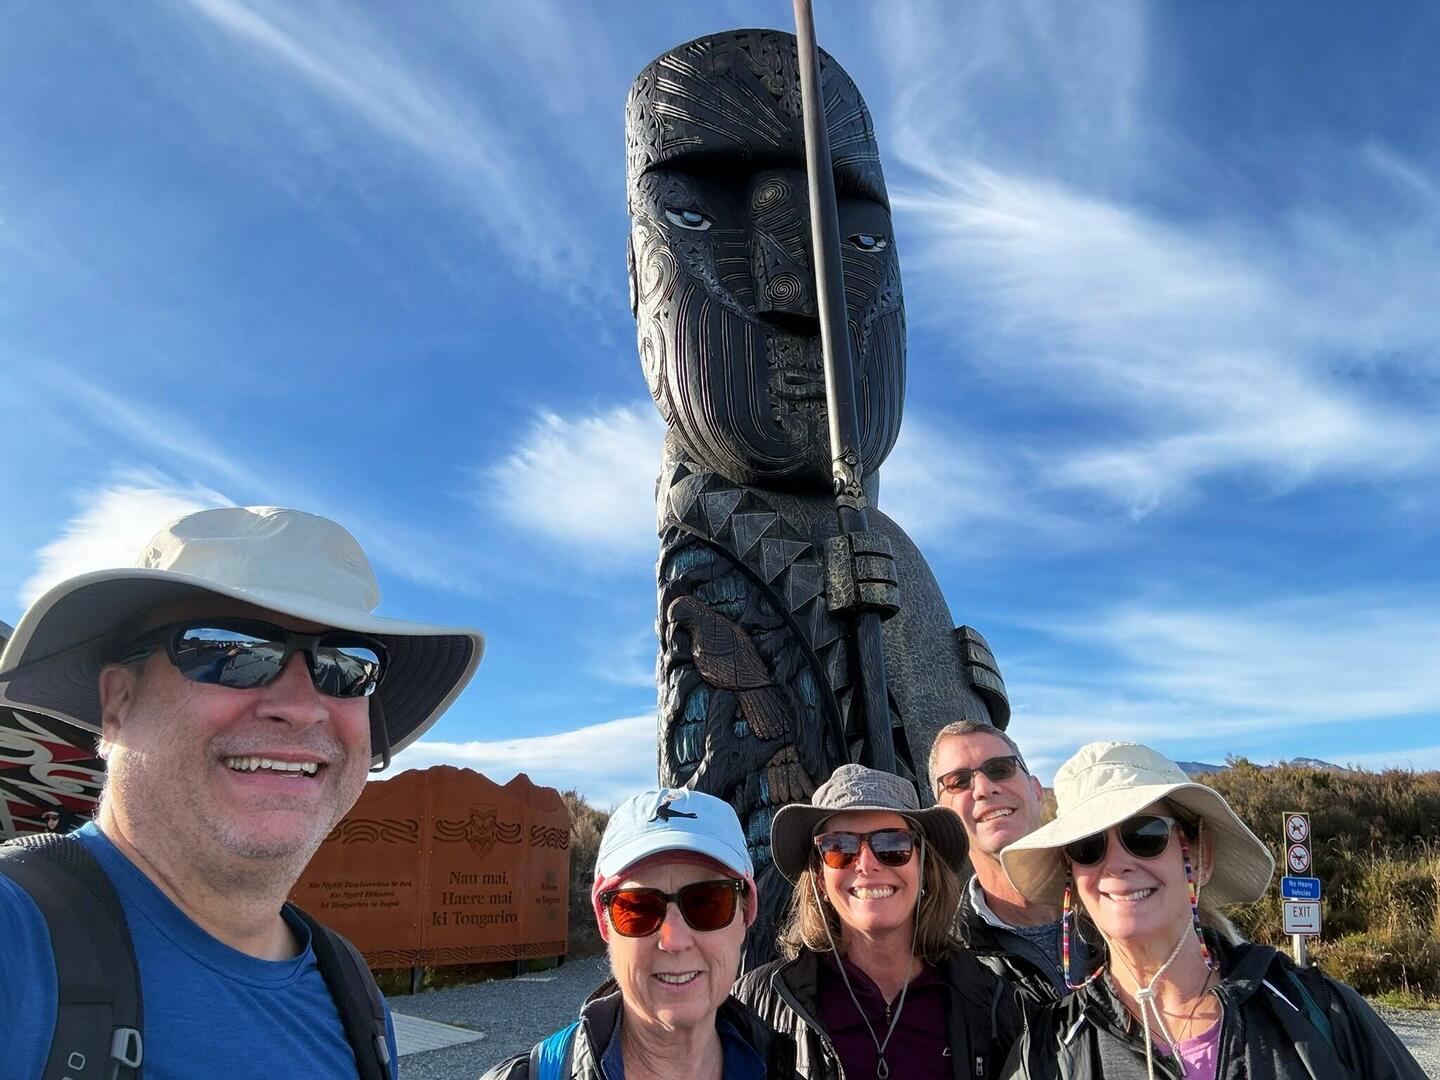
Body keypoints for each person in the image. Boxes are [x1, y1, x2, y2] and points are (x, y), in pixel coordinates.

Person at [0, 506, 484, 1080]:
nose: (302, 707)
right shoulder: (15, 940)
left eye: (346, 665)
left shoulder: (350, 990)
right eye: (226, 649)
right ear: (117, 704)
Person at [999, 741, 1427, 1080]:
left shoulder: (1319, 1010)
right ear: (1071, 877)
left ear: (1201, 858)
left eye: (1144, 834)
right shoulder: (1049, 1051)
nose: (1116, 863)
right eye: (1087, 847)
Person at [733, 764, 1023, 1080]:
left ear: (924, 867)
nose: (867, 864)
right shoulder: (757, 1004)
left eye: (893, 844)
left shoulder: (993, 1003)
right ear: (820, 878)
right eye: (839, 847)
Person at [483, 788, 786, 1080]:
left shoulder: (785, 1069)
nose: (674, 940)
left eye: (707, 903)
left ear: (746, 916)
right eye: (639, 909)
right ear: (604, 924)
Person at [930, 720, 1089, 1002]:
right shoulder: (945, 962)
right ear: (944, 818)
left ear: (1037, 791)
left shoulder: (1119, 900)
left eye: (1000, 769)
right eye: (958, 782)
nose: (983, 788)